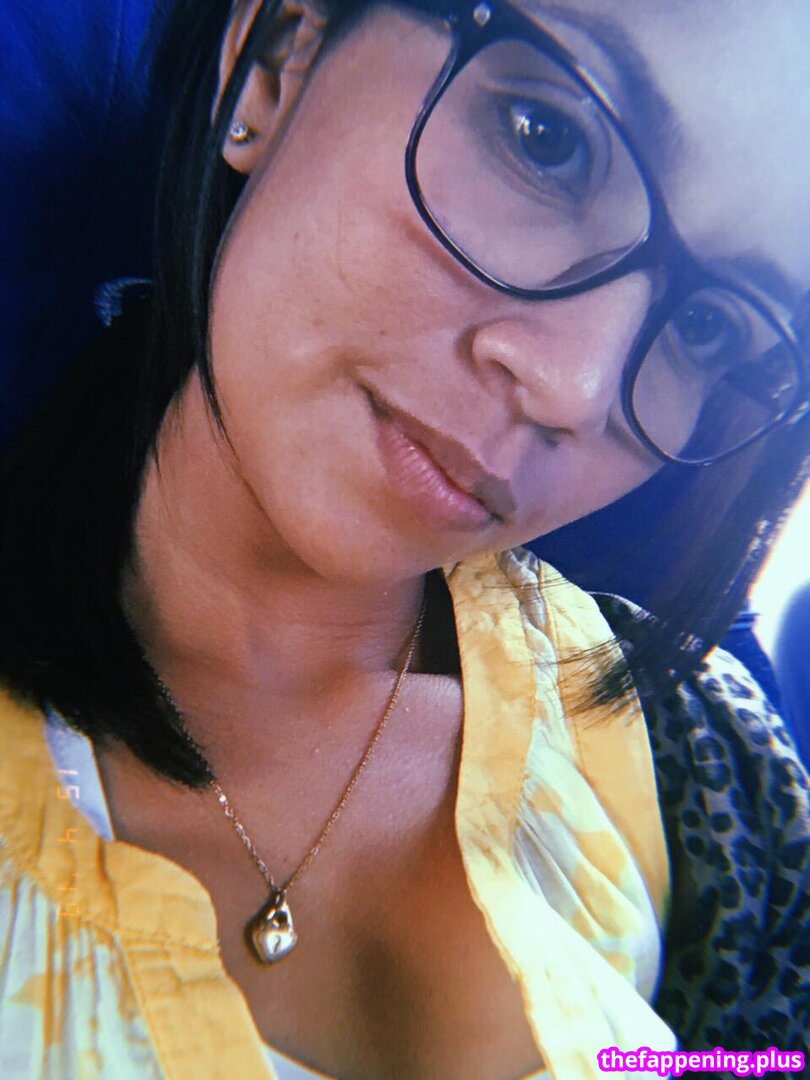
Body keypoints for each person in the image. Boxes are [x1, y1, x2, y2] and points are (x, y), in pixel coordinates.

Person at [1, 0, 809, 1077]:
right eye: (547, 141)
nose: (576, 387)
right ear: (276, 59)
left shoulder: (712, 765)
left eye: (710, 329)